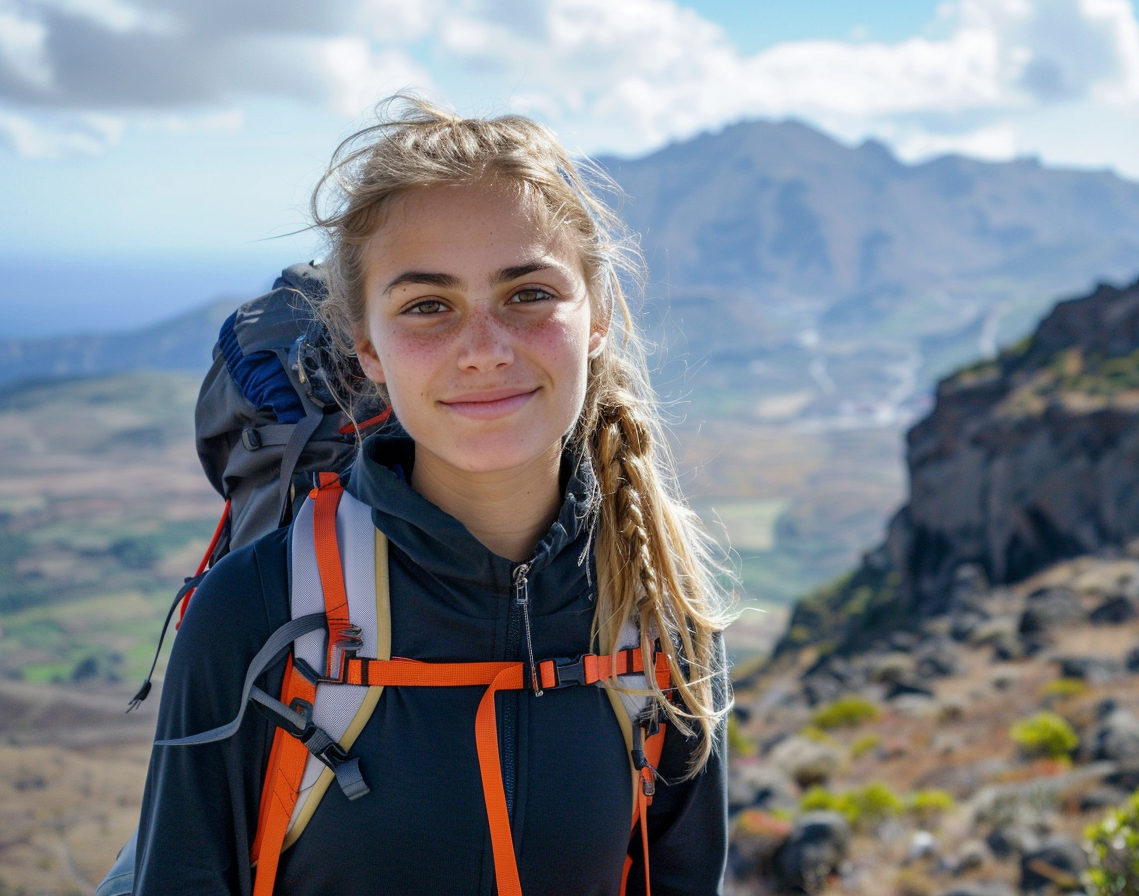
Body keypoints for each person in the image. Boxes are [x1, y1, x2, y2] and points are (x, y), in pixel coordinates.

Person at [131, 96, 732, 895]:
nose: (484, 350)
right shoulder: (256, 613)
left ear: (599, 316)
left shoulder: (664, 610)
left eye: (527, 294)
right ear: (367, 348)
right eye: (427, 307)